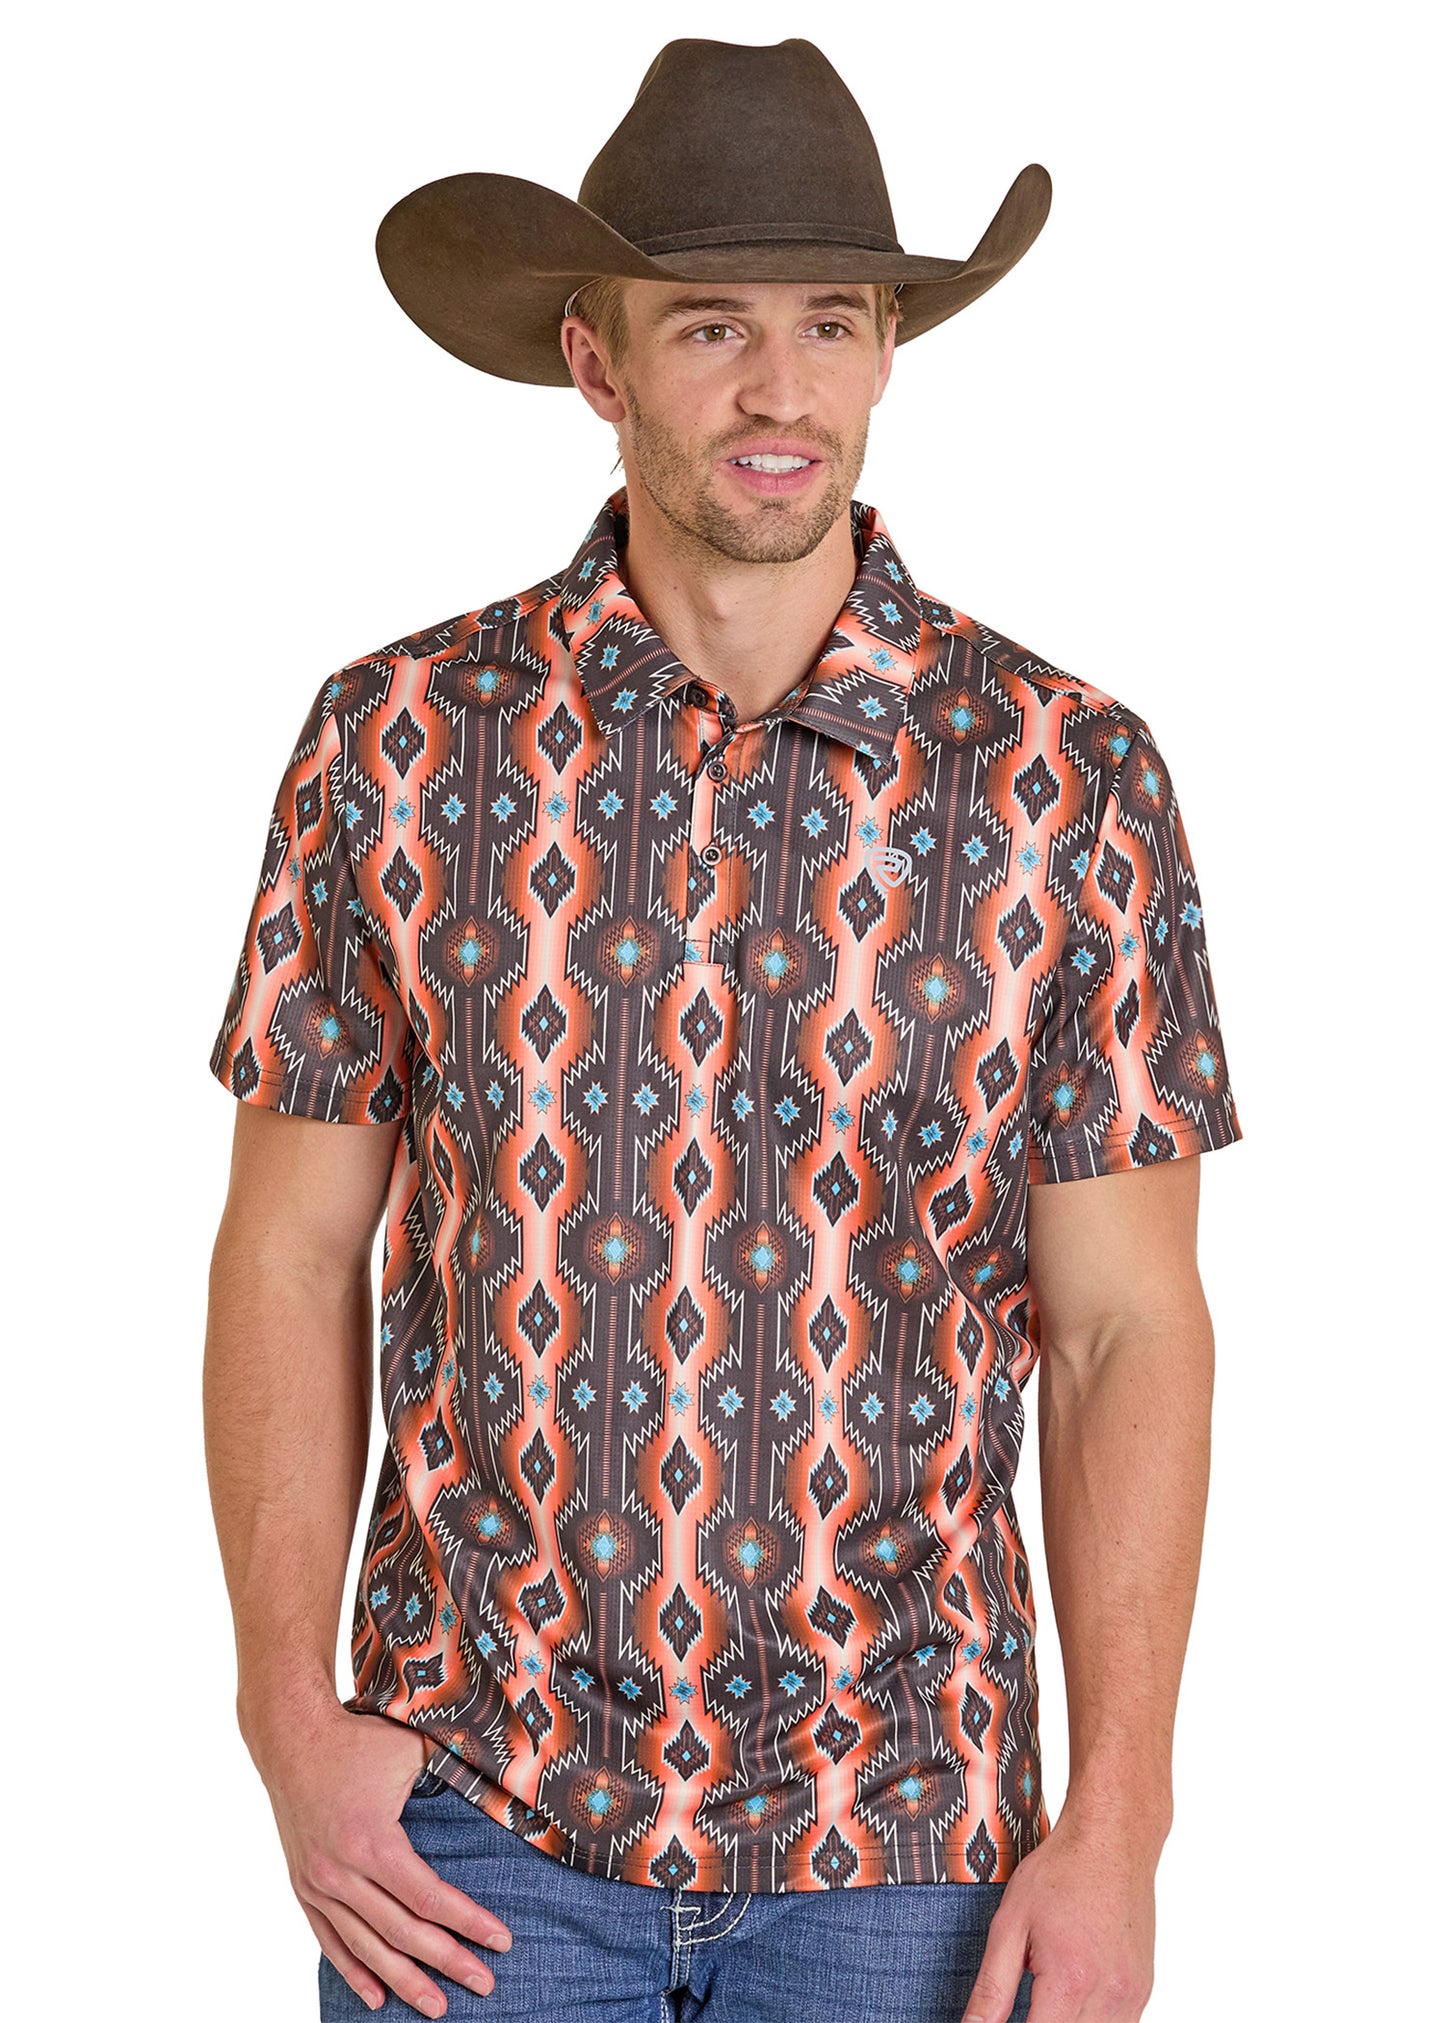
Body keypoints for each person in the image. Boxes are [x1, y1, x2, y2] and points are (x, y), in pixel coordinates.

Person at [204, 36, 1242, 2023]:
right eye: (710, 329)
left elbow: (1126, 1325)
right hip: (473, 1833)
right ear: (598, 362)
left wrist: (1115, 1828)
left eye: (831, 325)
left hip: (909, 1836)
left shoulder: (1065, 777)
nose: (781, 392)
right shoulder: (398, 743)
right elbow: (291, 1244)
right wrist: (282, 1714)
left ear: (880, 355)